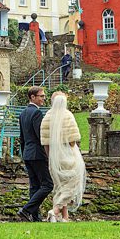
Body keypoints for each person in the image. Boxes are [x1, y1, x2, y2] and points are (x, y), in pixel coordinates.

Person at [40, 91, 86, 222]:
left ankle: (64, 217)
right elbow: (73, 141)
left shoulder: (47, 117)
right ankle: (55, 211)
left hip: (54, 156)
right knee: (73, 182)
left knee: (60, 186)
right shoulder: (68, 115)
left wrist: (50, 157)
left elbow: (45, 142)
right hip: (68, 154)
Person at [18, 86, 52, 222]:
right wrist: (47, 153)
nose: (44, 98)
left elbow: (22, 138)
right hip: (37, 154)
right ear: (32, 97)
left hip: (27, 153)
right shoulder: (37, 113)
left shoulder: (23, 113)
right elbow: (40, 136)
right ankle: (26, 210)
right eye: (41, 96)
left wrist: (24, 154)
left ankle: (35, 217)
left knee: (34, 186)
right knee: (48, 185)